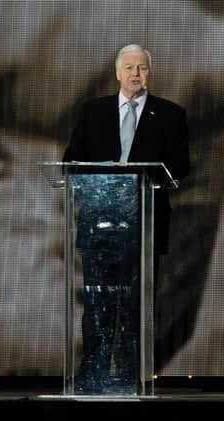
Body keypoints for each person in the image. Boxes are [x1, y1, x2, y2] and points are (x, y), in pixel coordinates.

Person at [62, 44, 190, 393]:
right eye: (130, 67)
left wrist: (144, 177)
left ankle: (132, 378)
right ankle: (94, 375)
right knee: (98, 303)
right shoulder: (93, 112)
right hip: (100, 224)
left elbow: (180, 168)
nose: (136, 74)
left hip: (144, 226)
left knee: (136, 305)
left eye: (143, 68)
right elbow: (72, 159)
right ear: (118, 73)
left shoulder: (169, 115)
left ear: (150, 73)